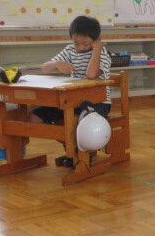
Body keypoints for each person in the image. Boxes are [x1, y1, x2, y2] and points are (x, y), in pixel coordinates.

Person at [30, 15, 112, 167]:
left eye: (85, 44)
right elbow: (44, 68)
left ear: (96, 39)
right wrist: (57, 63)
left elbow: (91, 75)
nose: (80, 47)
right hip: (72, 101)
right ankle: (73, 149)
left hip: (98, 104)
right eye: (76, 43)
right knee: (35, 117)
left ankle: (81, 153)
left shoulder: (103, 54)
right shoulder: (70, 50)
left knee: (79, 120)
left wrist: (96, 50)